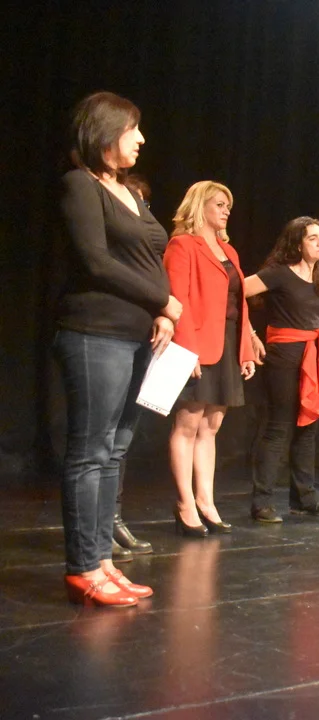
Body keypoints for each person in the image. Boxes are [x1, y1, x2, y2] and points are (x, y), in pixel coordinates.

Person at [55, 91, 179, 606]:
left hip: (137, 336)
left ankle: (104, 560)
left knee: (114, 452)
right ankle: (83, 567)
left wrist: (161, 313)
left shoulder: (128, 191)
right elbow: (96, 262)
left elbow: (148, 258)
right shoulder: (79, 185)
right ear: (105, 131)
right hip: (95, 331)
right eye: (133, 129)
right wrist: (163, 300)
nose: (142, 139)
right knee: (91, 451)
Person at [164, 181, 256, 536]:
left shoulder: (229, 251)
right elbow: (178, 299)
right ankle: (185, 503)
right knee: (187, 424)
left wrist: (245, 350)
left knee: (211, 427)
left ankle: (206, 501)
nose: (226, 210)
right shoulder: (182, 245)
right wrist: (187, 350)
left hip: (227, 342)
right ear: (199, 205)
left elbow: (240, 306)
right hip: (196, 342)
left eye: (227, 205)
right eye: (219, 204)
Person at [243, 217, 319, 522]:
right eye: (312, 238)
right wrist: (251, 335)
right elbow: (236, 291)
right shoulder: (279, 273)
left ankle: (304, 498)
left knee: (308, 427)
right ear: (297, 244)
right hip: (284, 355)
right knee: (278, 426)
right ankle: (262, 502)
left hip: (314, 354)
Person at [108, 173, 157, 559]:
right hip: (111, 331)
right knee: (102, 441)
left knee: (123, 439)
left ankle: (113, 518)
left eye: (143, 203)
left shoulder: (147, 246)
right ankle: (99, 531)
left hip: (143, 336)